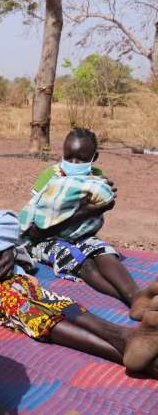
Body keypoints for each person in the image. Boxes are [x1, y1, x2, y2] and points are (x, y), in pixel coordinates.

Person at [0, 107, 158, 379]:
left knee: (39, 294)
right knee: (16, 305)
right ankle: (122, 345)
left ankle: (123, 337)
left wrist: (5, 250)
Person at [27, 128, 154, 321]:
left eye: (80, 159)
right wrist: (92, 210)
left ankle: (136, 295)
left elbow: (93, 216)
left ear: (94, 157)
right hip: (46, 239)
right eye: (68, 157)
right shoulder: (50, 178)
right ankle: (131, 298)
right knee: (79, 260)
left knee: (102, 251)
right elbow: (37, 230)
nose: (73, 163)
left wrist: (103, 202)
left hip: (81, 235)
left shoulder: (96, 178)